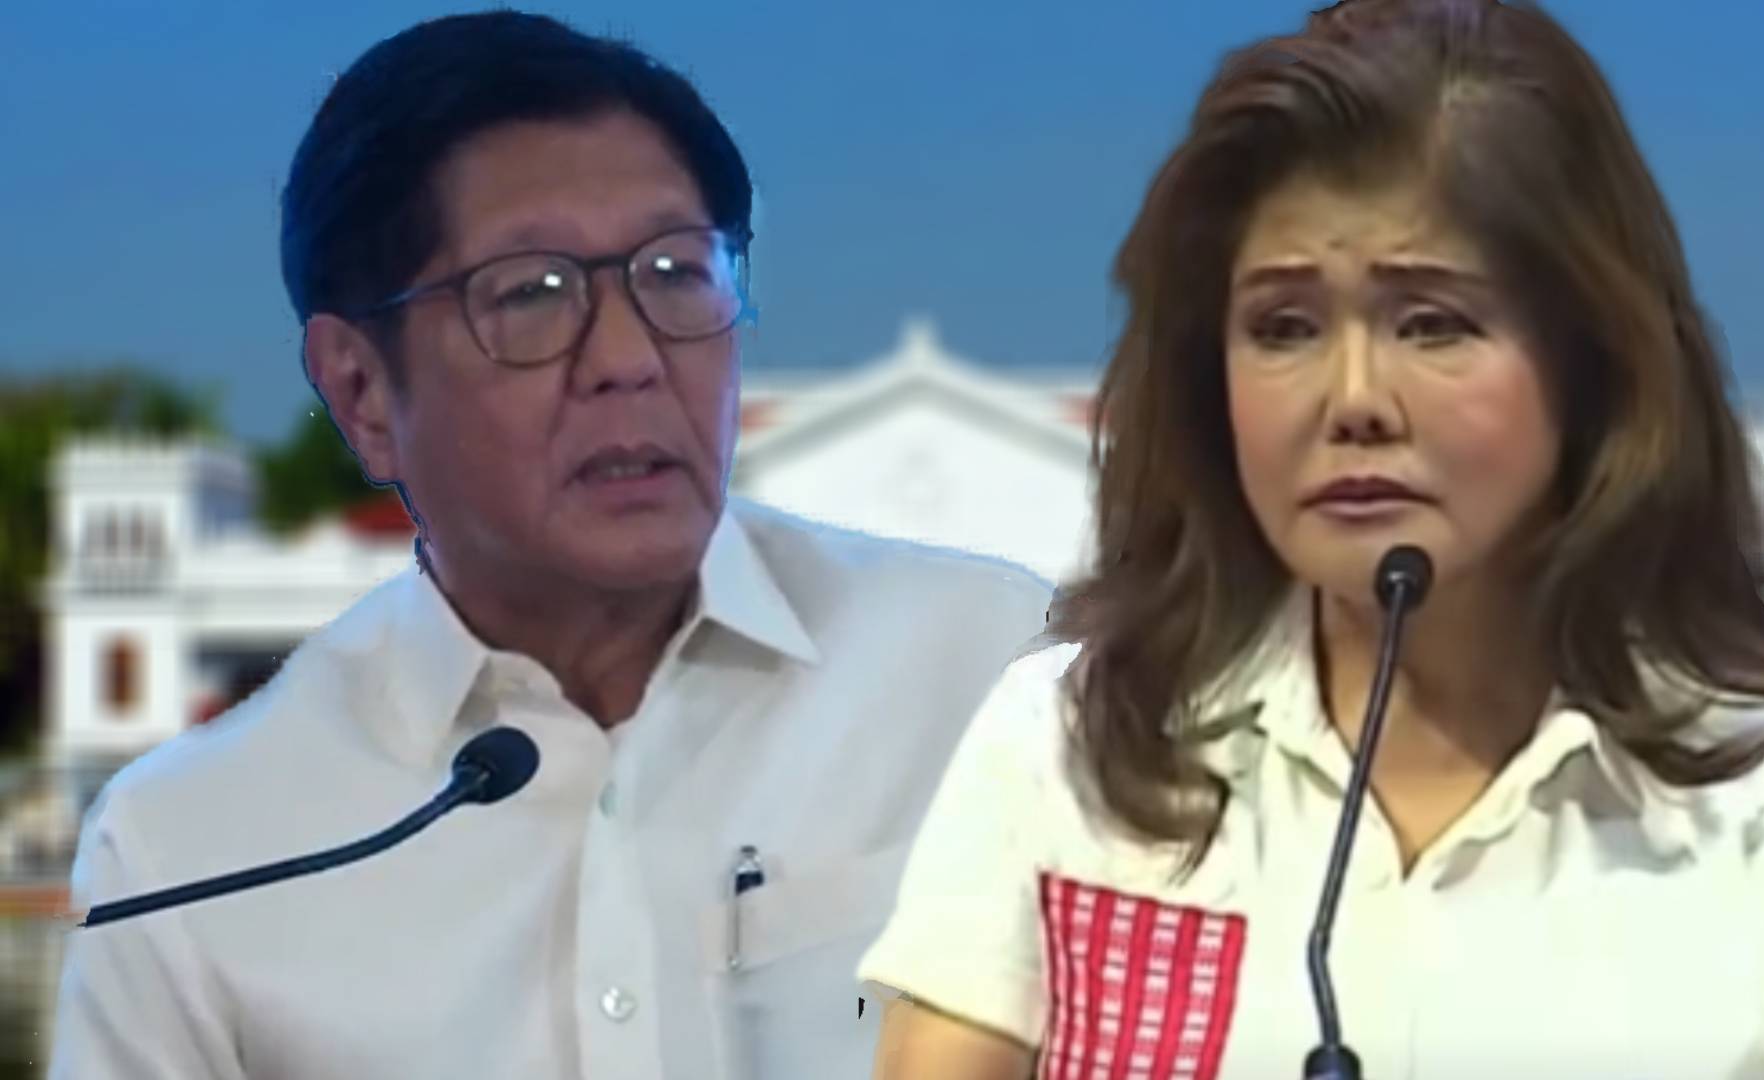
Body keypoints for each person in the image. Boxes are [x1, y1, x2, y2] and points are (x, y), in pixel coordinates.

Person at [856, 1, 1764, 1077]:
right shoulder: (1071, 740)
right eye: (1283, 328)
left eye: (1432, 323)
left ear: (1592, 365)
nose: (1355, 400)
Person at [48, 11, 1052, 1080]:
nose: (628, 356)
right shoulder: (185, 857)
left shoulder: (1002, 672)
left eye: (676, 272)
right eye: (531, 294)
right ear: (361, 390)